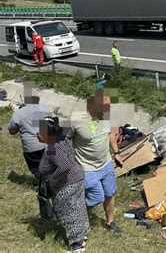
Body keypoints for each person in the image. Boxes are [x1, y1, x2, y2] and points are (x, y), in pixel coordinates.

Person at [67, 89, 124, 236]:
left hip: (106, 163)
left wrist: (116, 153)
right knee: (96, 197)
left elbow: (110, 133)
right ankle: (72, 212)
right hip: (86, 167)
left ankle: (110, 222)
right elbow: (64, 140)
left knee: (110, 193)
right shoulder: (76, 120)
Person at [37, 116, 89, 252]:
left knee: (67, 212)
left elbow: (64, 166)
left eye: (39, 132)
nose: (37, 134)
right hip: (77, 178)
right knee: (78, 208)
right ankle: (82, 236)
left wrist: (52, 182)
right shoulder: (61, 139)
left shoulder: (52, 147)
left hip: (67, 183)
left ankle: (77, 245)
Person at [8, 95, 52, 179]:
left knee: (37, 169)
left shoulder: (19, 113)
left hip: (32, 147)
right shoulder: (44, 108)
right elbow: (55, 123)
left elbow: (12, 131)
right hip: (48, 143)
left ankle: (48, 186)